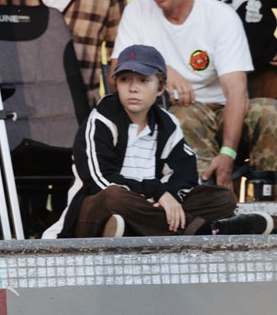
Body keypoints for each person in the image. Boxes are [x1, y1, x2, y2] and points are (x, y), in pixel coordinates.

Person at [45, 44, 272, 238]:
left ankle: (134, 230)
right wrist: (157, 194)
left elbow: (186, 174)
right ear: (116, 85)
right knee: (113, 196)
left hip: (148, 208)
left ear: (160, 87)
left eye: (143, 80)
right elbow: (99, 180)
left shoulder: (167, 123)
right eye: (125, 80)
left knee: (223, 198)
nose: (133, 88)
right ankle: (205, 231)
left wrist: (170, 196)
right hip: (96, 215)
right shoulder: (101, 119)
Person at [113, 0, 277, 187]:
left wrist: (228, 153)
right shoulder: (137, 12)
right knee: (184, 116)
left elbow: (236, 92)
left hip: (224, 110)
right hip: (175, 112)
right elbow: (116, 74)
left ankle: (270, 208)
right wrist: (162, 70)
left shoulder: (220, 16)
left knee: (269, 112)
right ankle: (205, 206)